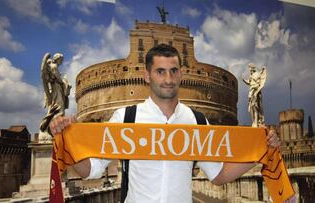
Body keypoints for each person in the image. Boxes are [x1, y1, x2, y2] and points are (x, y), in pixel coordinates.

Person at [50, 44, 281, 202]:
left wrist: (261, 152)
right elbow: (91, 170)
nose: (168, 79)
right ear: (147, 75)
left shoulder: (198, 121)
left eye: (173, 71)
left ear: (181, 74)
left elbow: (219, 175)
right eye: (160, 72)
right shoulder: (125, 118)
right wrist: (67, 142)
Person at [242, 63, 267, 127]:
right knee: (251, 108)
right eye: (249, 68)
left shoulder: (257, 74)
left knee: (255, 107)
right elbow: (250, 82)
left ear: (252, 68)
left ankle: (256, 122)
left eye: (250, 68)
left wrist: (254, 90)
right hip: (251, 92)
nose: (249, 69)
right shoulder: (251, 75)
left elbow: (258, 84)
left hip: (255, 92)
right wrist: (244, 80)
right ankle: (254, 121)